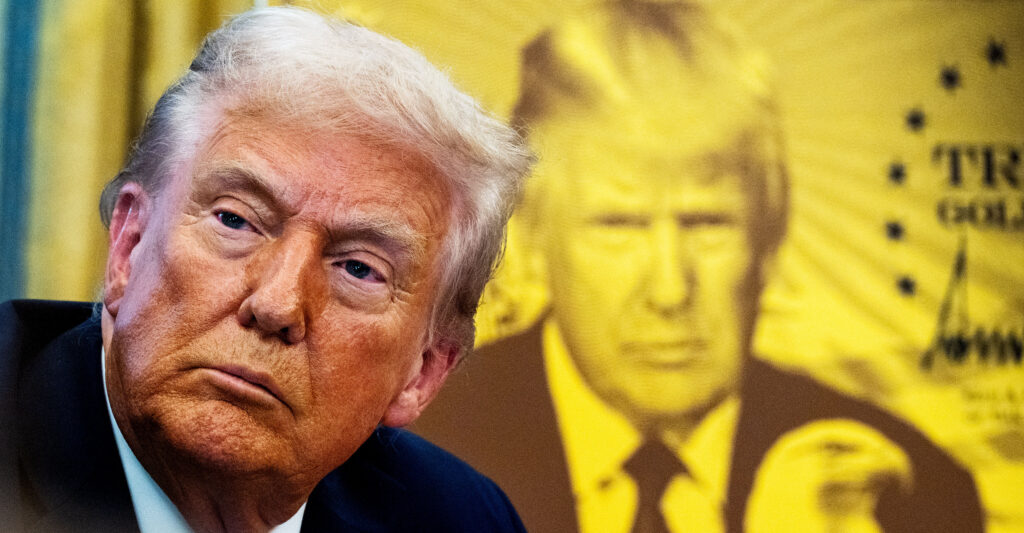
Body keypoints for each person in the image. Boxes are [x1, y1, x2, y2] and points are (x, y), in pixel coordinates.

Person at [412, 2, 984, 532]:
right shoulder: (414, 452)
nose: (668, 289)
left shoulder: (907, 487)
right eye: (621, 225)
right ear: (533, 235)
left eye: (707, 223)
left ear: (771, 236)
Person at [0, 6, 534, 533]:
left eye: (358, 269)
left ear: (423, 372)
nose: (277, 304)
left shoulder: (458, 519)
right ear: (129, 246)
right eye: (235, 220)